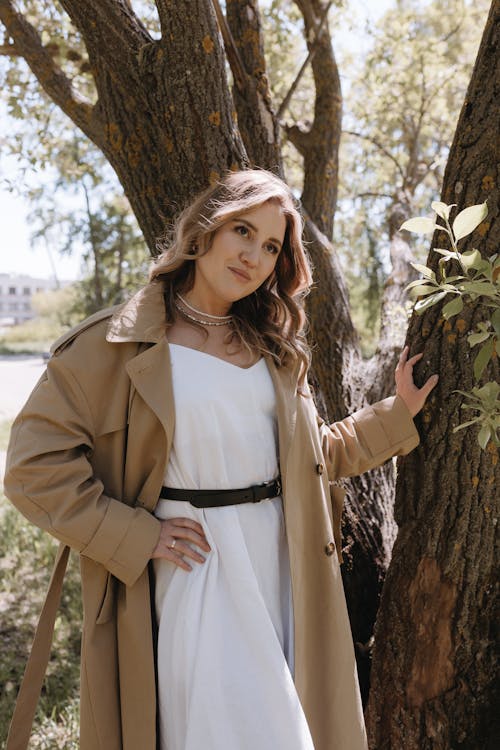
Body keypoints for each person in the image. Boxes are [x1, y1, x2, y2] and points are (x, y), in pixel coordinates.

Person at [4, 168, 438, 750]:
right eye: (242, 230)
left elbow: (314, 457)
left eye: (271, 247)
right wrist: (137, 535)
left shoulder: (271, 347)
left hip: (284, 569)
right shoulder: (116, 343)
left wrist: (397, 413)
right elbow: (33, 469)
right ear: (205, 228)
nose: (253, 255)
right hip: (195, 570)